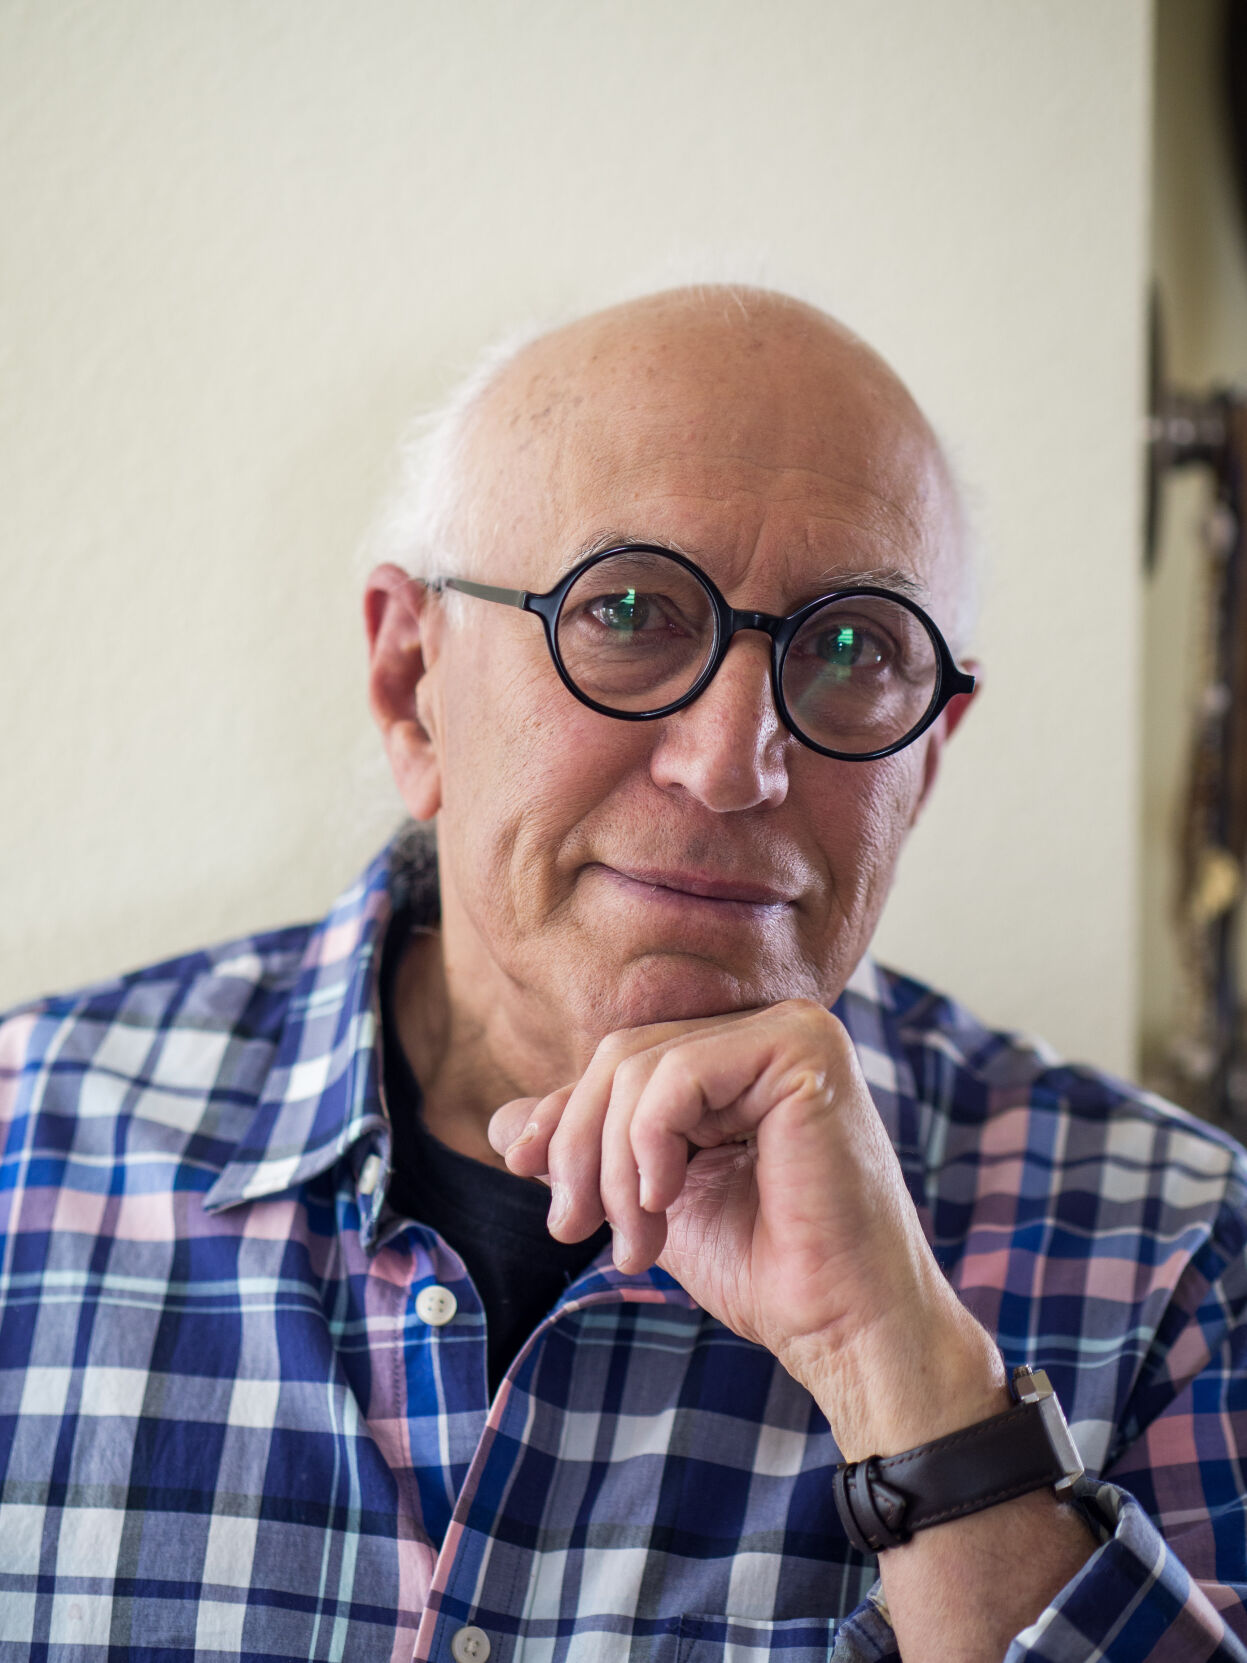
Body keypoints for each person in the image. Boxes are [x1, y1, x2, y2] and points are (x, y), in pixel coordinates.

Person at [1, 287, 1244, 1663]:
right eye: (631, 610)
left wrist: (918, 1394)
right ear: (412, 682)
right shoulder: (23, 1148)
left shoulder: (1181, 1260)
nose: (731, 763)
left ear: (927, 759)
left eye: (853, 649)